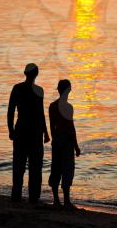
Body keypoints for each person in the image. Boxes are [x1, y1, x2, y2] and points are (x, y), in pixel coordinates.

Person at [7, 63, 50, 204]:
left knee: (20, 165)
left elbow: (11, 111)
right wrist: (45, 132)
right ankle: (33, 197)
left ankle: (17, 195)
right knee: (35, 166)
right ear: (36, 74)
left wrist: (11, 130)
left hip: (23, 130)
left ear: (26, 73)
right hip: (34, 132)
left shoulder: (18, 88)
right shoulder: (38, 90)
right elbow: (40, 114)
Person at [48, 79, 81, 209]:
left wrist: (53, 138)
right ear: (68, 90)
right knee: (67, 169)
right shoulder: (68, 107)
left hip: (56, 139)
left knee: (55, 169)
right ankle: (66, 201)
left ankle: (56, 200)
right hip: (66, 140)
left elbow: (51, 125)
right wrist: (76, 146)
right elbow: (70, 127)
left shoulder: (52, 106)